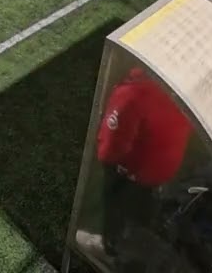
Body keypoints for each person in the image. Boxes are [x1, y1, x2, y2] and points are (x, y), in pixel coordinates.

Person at [76, 67, 193, 262]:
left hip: (136, 173)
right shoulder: (181, 80)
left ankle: (110, 248)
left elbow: (110, 150)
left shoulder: (133, 93)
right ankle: (138, 241)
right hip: (163, 169)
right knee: (144, 212)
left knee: (116, 203)